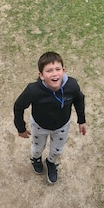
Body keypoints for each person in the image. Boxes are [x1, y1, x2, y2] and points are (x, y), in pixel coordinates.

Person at [13, 51, 86, 184]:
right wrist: (20, 128)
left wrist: (82, 120)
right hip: (39, 126)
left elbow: (79, 100)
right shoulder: (33, 90)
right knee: (37, 148)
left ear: (63, 71)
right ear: (41, 75)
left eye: (58, 69)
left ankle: (51, 163)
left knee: (57, 150)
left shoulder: (72, 86)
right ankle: (36, 159)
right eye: (49, 71)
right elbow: (18, 106)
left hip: (62, 126)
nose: (54, 74)